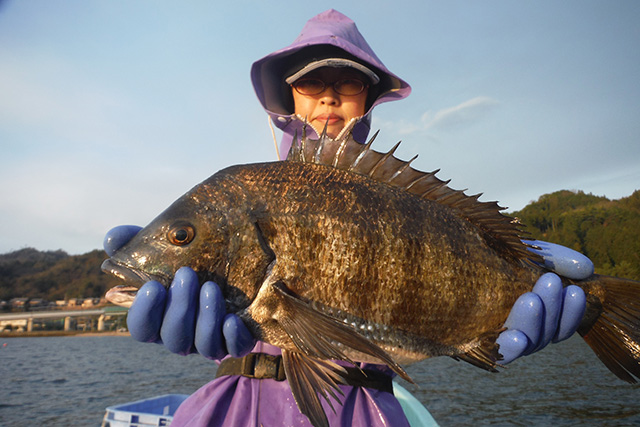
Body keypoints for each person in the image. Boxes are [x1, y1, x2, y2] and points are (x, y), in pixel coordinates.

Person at [104, 10, 592, 426]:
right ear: (288, 93)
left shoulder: (387, 197)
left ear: (369, 96)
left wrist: (521, 270)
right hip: (239, 404)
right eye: (311, 81)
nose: (329, 95)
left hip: (361, 407)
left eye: (349, 81)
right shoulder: (247, 190)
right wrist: (191, 320)